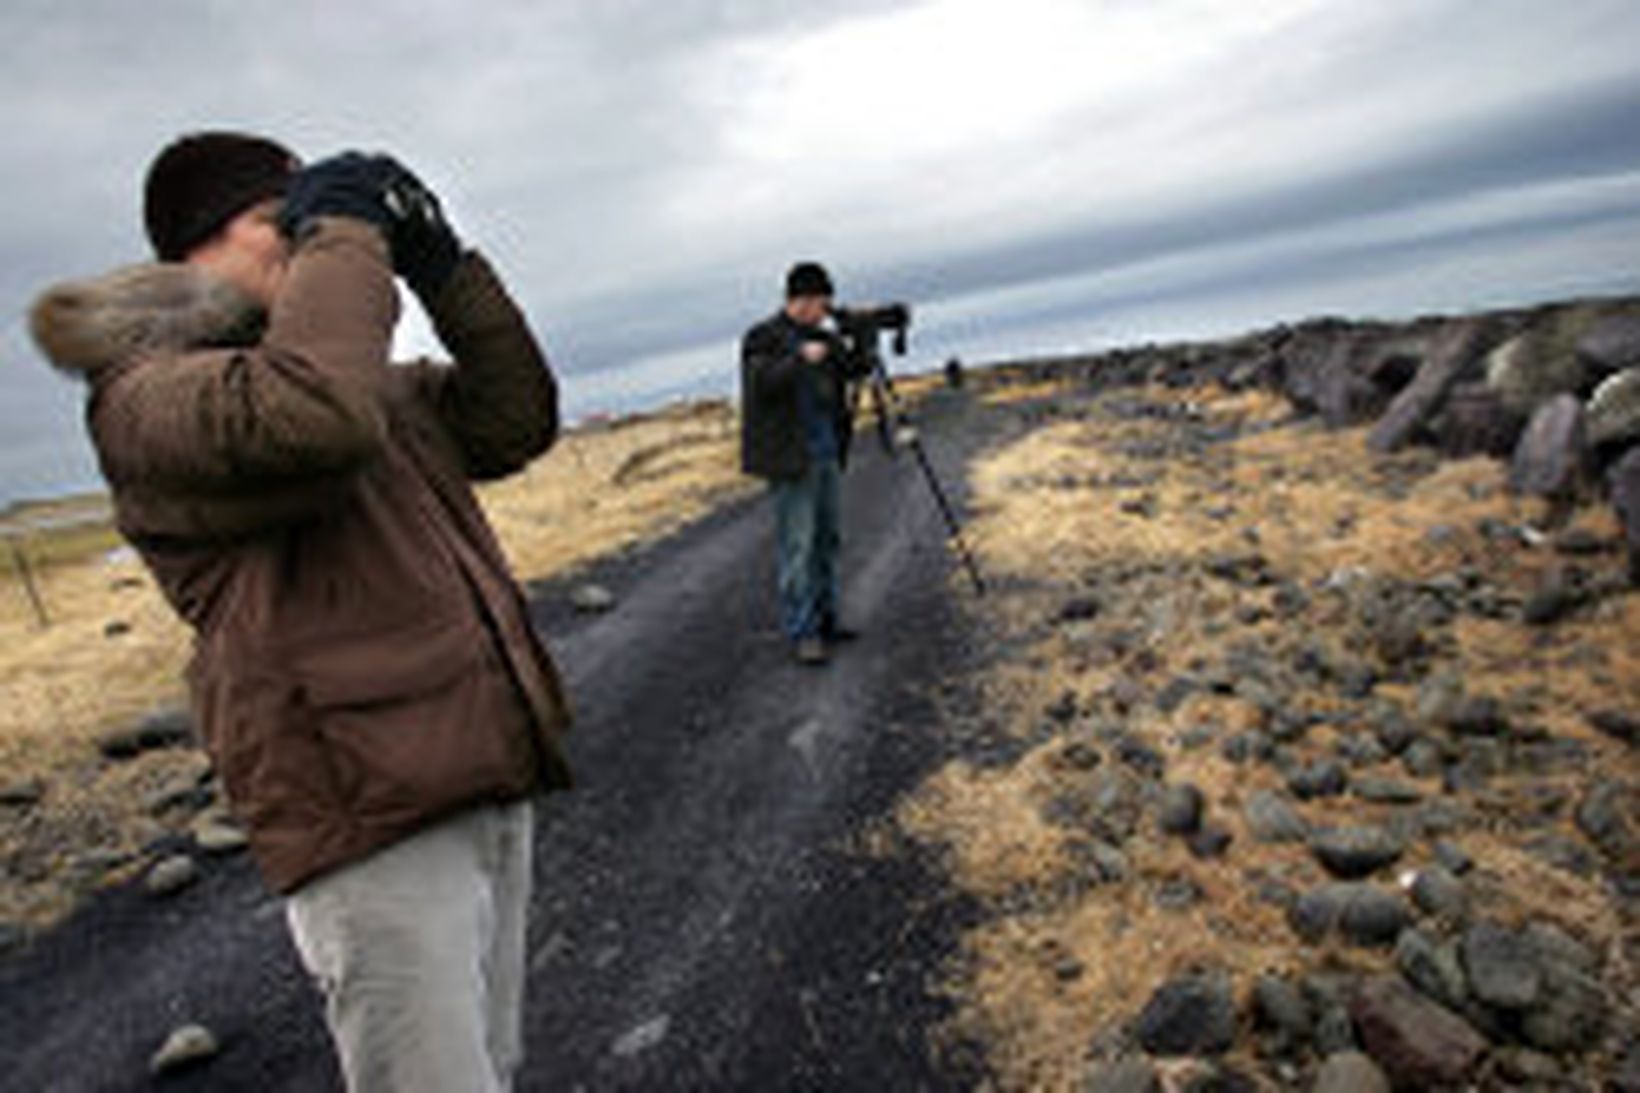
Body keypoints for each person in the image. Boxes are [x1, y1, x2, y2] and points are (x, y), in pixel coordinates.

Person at [29, 132, 573, 1093]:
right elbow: (315, 413)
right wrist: (348, 231)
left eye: (308, 215)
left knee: (493, 1069)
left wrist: (444, 267)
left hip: (472, 766)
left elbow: (513, 416)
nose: (303, 237)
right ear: (195, 247)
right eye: (277, 219)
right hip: (367, 809)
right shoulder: (145, 398)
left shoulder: (346, 381)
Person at [739, 262, 870, 665]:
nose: (825, 312)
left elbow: (855, 371)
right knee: (798, 546)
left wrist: (864, 336)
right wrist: (800, 358)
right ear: (802, 300)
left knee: (827, 541)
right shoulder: (762, 337)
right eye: (821, 304)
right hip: (791, 459)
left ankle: (828, 618)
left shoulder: (823, 336)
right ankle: (804, 630)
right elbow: (762, 384)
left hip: (827, 453)